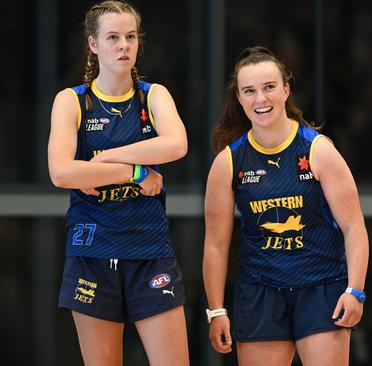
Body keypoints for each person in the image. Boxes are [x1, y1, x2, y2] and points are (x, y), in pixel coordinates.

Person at [202, 46, 369, 365]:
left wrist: (355, 290)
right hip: (260, 293)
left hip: (320, 288)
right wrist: (217, 310)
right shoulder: (229, 162)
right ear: (239, 98)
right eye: (249, 91)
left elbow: (353, 226)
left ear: (286, 89)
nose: (260, 99)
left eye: (269, 88)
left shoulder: (318, 150)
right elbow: (216, 245)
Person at [47, 1, 189, 364]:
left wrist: (105, 159)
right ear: (93, 44)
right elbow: (62, 172)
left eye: (130, 37)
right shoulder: (72, 102)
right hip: (92, 252)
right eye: (112, 37)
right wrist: (135, 171)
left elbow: (176, 144)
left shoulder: (152, 95)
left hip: (149, 250)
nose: (123, 45)